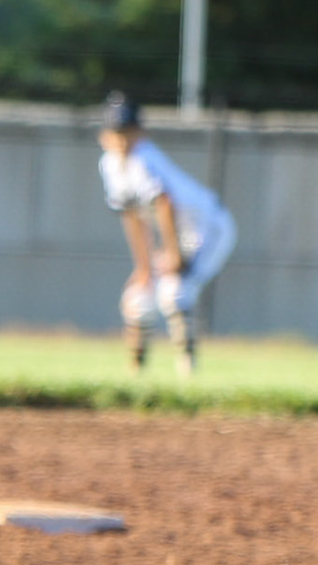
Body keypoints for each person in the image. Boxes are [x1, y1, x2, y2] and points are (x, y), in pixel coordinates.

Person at [98, 93, 237, 376]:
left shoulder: (142, 160)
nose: (122, 139)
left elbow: (164, 204)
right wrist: (144, 267)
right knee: (138, 295)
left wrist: (173, 254)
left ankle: (188, 368)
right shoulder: (110, 164)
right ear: (104, 136)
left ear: (141, 133)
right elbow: (132, 216)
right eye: (116, 132)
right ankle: (136, 370)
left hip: (209, 228)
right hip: (180, 230)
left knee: (174, 292)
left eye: (128, 131)